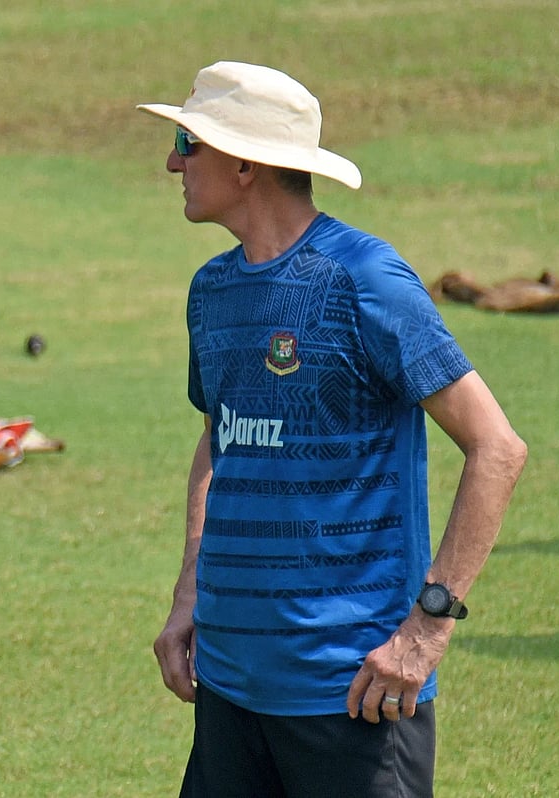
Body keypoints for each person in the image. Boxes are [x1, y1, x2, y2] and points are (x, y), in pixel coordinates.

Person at [137, 62, 527, 797]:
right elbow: (221, 439)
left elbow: (497, 448)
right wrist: (190, 594)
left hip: (353, 692)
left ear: (245, 162)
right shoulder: (211, 291)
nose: (170, 161)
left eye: (188, 142)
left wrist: (426, 630)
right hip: (229, 686)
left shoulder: (364, 279)